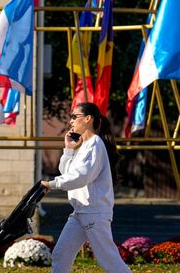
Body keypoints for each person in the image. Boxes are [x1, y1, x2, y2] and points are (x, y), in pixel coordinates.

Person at [40, 102, 130, 273]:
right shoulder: (83, 146)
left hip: (94, 213)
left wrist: (51, 184)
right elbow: (66, 172)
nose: (71, 121)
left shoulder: (95, 143)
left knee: (110, 261)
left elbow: (81, 177)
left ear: (88, 119)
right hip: (80, 213)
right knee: (61, 255)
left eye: (74, 116)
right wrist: (68, 150)